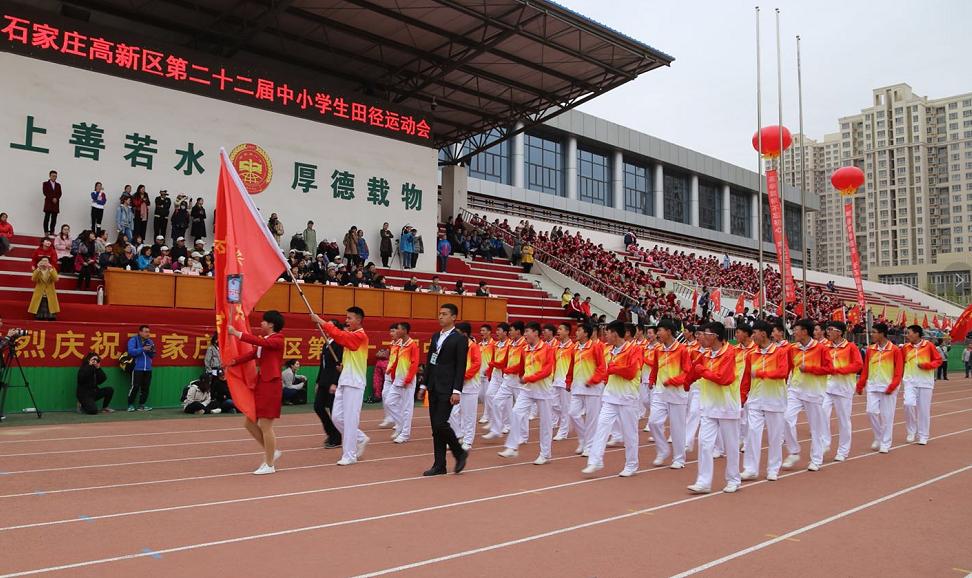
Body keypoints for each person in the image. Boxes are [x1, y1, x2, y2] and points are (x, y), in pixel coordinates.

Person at [227, 310, 285, 474]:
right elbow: (254, 353)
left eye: (264, 322)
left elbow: (260, 344)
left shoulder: (278, 339)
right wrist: (234, 361)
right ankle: (272, 452)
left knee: (265, 425)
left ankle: (270, 464)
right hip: (261, 384)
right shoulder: (265, 341)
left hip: (271, 385)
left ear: (271, 324)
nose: (261, 324)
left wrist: (237, 333)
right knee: (249, 423)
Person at [581, 320, 642, 477]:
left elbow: (631, 372)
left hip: (628, 397)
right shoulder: (607, 350)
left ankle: (631, 464)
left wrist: (614, 369)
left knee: (630, 433)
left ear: (615, 333)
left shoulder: (633, 349)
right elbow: (603, 370)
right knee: (601, 428)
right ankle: (595, 461)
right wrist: (594, 379)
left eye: (607, 333)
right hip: (610, 397)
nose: (605, 336)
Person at [310, 307, 370, 466]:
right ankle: (360, 438)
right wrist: (343, 367)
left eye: (350, 318)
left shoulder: (360, 336)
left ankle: (350, 455)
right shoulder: (351, 335)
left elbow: (341, 336)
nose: (347, 320)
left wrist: (321, 322)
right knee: (337, 417)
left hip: (354, 383)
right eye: (347, 318)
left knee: (350, 420)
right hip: (345, 380)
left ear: (358, 320)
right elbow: (351, 353)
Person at [687, 322, 742, 494]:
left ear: (716, 335)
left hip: (727, 406)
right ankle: (703, 481)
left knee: (731, 445)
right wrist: (686, 382)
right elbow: (693, 371)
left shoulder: (731, 354)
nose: (701, 337)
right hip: (709, 405)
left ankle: (733, 479)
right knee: (704, 444)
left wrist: (701, 371)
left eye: (705, 333)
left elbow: (723, 378)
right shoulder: (706, 354)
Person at [417, 303, 469, 476]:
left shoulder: (459, 338)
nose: (440, 317)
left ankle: (459, 452)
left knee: (440, 423)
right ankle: (440, 465)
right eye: (439, 314)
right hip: (433, 386)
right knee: (435, 427)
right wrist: (424, 385)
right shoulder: (435, 336)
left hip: (448, 387)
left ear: (453, 317)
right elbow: (430, 361)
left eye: (445, 314)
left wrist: (457, 390)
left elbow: (461, 366)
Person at [739, 321, 789, 481]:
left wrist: (761, 373)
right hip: (755, 400)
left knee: (775, 436)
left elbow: (782, 372)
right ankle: (750, 468)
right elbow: (746, 378)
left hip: (774, 400)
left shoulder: (779, 352)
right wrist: (742, 397)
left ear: (764, 334)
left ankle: (773, 468)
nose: (753, 336)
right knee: (752, 433)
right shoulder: (752, 354)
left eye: (755, 333)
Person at [783, 319, 830, 472]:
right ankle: (794, 451)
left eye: (796, 330)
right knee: (786, 419)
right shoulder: (793, 349)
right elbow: (788, 368)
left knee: (815, 428)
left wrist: (810, 368)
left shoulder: (821, 349)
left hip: (813, 392)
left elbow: (829, 368)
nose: (793, 333)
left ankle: (816, 459)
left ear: (804, 331)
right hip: (795, 390)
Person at [646, 319, 692, 469]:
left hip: (677, 394)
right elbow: (655, 367)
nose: (658, 333)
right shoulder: (659, 349)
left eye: (660, 330)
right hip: (660, 392)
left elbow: (687, 373)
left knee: (677, 427)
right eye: (657, 330)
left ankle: (679, 458)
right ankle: (663, 450)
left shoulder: (682, 350)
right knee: (653, 422)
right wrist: (652, 380)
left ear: (669, 332)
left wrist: (672, 381)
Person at [856, 323, 904, 454]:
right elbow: (866, 368)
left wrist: (892, 386)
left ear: (882, 334)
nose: (872, 334)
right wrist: (861, 384)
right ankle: (878, 437)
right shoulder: (871, 349)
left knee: (887, 416)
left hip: (888, 387)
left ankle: (885, 443)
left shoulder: (894, 350)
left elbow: (899, 371)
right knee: (871, 412)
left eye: (874, 332)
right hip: (873, 386)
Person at [824, 321, 863, 461]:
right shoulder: (825, 346)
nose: (828, 332)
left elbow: (858, 365)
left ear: (839, 332)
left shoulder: (850, 347)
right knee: (822, 415)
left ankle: (843, 450)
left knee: (844, 421)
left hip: (843, 388)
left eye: (831, 329)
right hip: (826, 387)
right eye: (827, 329)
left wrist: (839, 370)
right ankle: (824, 443)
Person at [568, 322, 606, 457]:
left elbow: (602, 367)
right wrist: (568, 381)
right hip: (577, 387)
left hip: (593, 388)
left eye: (579, 330)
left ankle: (589, 446)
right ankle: (583, 439)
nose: (576, 333)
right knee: (572, 413)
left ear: (586, 333)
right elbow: (571, 366)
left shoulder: (595, 347)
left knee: (591, 419)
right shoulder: (575, 348)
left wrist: (593, 380)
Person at [484, 321, 525, 442]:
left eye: (511, 330)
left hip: (518, 381)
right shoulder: (511, 344)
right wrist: (495, 366)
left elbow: (521, 364)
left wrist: (507, 369)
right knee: (495, 400)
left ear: (518, 331)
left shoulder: (524, 345)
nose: (510, 333)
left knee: (520, 409)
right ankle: (496, 429)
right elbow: (505, 361)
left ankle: (523, 435)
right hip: (507, 380)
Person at [902, 325, 943, 445]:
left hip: (925, 382)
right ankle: (911, 431)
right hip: (909, 381)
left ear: (917, 334)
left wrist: (927, 365)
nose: (907, 335)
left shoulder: (928, 345)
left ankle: (923, 435)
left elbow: (938, 360)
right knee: (908, 404)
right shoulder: (905, 347)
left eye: (909, 333)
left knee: (923, 410)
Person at [449, 322, 482, 451]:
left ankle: (467, 441)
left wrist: (464, 376)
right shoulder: (456, 346)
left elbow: (477, 363)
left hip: (470, 385)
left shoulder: (473, 346)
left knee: (468, 415)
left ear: (465, 334)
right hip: (457, 385)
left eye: (457, 332)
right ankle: (458, 435)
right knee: (452, 412)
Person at [386, 322, 419, 444]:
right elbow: (396, 360)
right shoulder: (399, 344)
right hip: (397, 380)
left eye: (398, 329)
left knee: (406, 409)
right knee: (389, 402)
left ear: (404, 331)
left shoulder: (412, 345)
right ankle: (401, 424)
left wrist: (408, 379)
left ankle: (405, 434)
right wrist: (391, 371)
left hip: (407, 382)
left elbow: (414, 364)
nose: (395, 331)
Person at [315, 321, 344, 449]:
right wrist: (318, 381)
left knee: (334, 411)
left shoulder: (339, 344)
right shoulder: (327, 344)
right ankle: (331, 432)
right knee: (318, 407)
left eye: (330, 325)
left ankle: (336, 438)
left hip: (332, 382)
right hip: (323, 381)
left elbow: (339, 365)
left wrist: (335, 382)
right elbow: (323, 365)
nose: (326, 328)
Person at [551, 322, 575, 441]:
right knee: (553, 404)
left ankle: (563, 431)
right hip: (556, 380)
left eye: (560, 329)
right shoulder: (557, 347)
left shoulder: (573, 347)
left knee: (565, 407)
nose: (558, 331)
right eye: (558, 329)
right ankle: (568, 420)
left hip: (566, 382)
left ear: (567, 332)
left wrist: (570, 381)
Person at [126, 325, 155, 411]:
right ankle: (130, 405)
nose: (148, 334)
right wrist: (143, 349)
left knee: (146, 387)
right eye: (146, 332)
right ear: (140, 332)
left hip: (148, 368)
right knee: (135, 386)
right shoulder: (133, 340)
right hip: (137, 368)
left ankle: (142, 405)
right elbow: (131, 352)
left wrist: (151, 351)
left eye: (148, 332)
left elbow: (153, 355)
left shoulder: (150, 341)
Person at [42, 169, 61, 236]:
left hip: (55, 204)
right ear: (50, 176)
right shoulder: (45, 184)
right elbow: (45, 192)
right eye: (53, 176)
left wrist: (56, 198)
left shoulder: (58, 185)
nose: (54, 177)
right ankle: (46, 231)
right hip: (48, 203)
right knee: (47, 218)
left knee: (54, 219)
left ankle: (52, 231)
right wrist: (52, 198)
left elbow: (60, 193)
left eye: (55, 176)